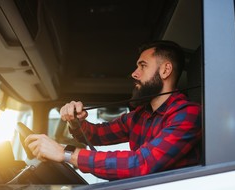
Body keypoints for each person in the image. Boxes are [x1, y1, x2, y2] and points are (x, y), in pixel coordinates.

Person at [25, 40, 202, 180]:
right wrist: (75, 120)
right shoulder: (139, 116)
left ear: (165, 70)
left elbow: (141, 164)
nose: (134, 73)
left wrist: (65, 154)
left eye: (143, 66)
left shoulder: (188, 114)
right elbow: (96, 135)